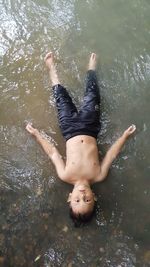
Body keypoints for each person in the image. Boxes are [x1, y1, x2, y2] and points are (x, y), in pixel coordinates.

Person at [26, 52, 136, 225]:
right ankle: (91, 69)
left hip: (69, 128)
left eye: (77, 200)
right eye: (87, 200)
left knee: (60, 97)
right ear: (95, 198)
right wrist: (124, 136)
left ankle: (51, 68)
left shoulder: (65, 175)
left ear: (69, 198)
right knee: (93, 94)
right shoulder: (98, 176)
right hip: (90, 127)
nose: (82, 196)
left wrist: (36, 134)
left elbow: (53, 153)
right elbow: (111, 155)